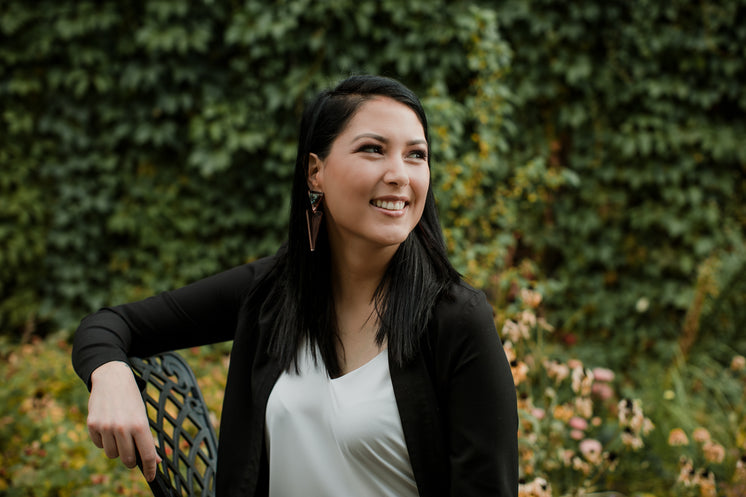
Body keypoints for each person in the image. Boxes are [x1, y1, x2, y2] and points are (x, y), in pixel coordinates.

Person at [72, 75, 518, 497]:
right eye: (373, 149)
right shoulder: (271, 293)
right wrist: (110, 373)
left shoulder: (456, 318)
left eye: (416, 154)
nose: (400, 173)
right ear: (315, 172)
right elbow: (111, 325)